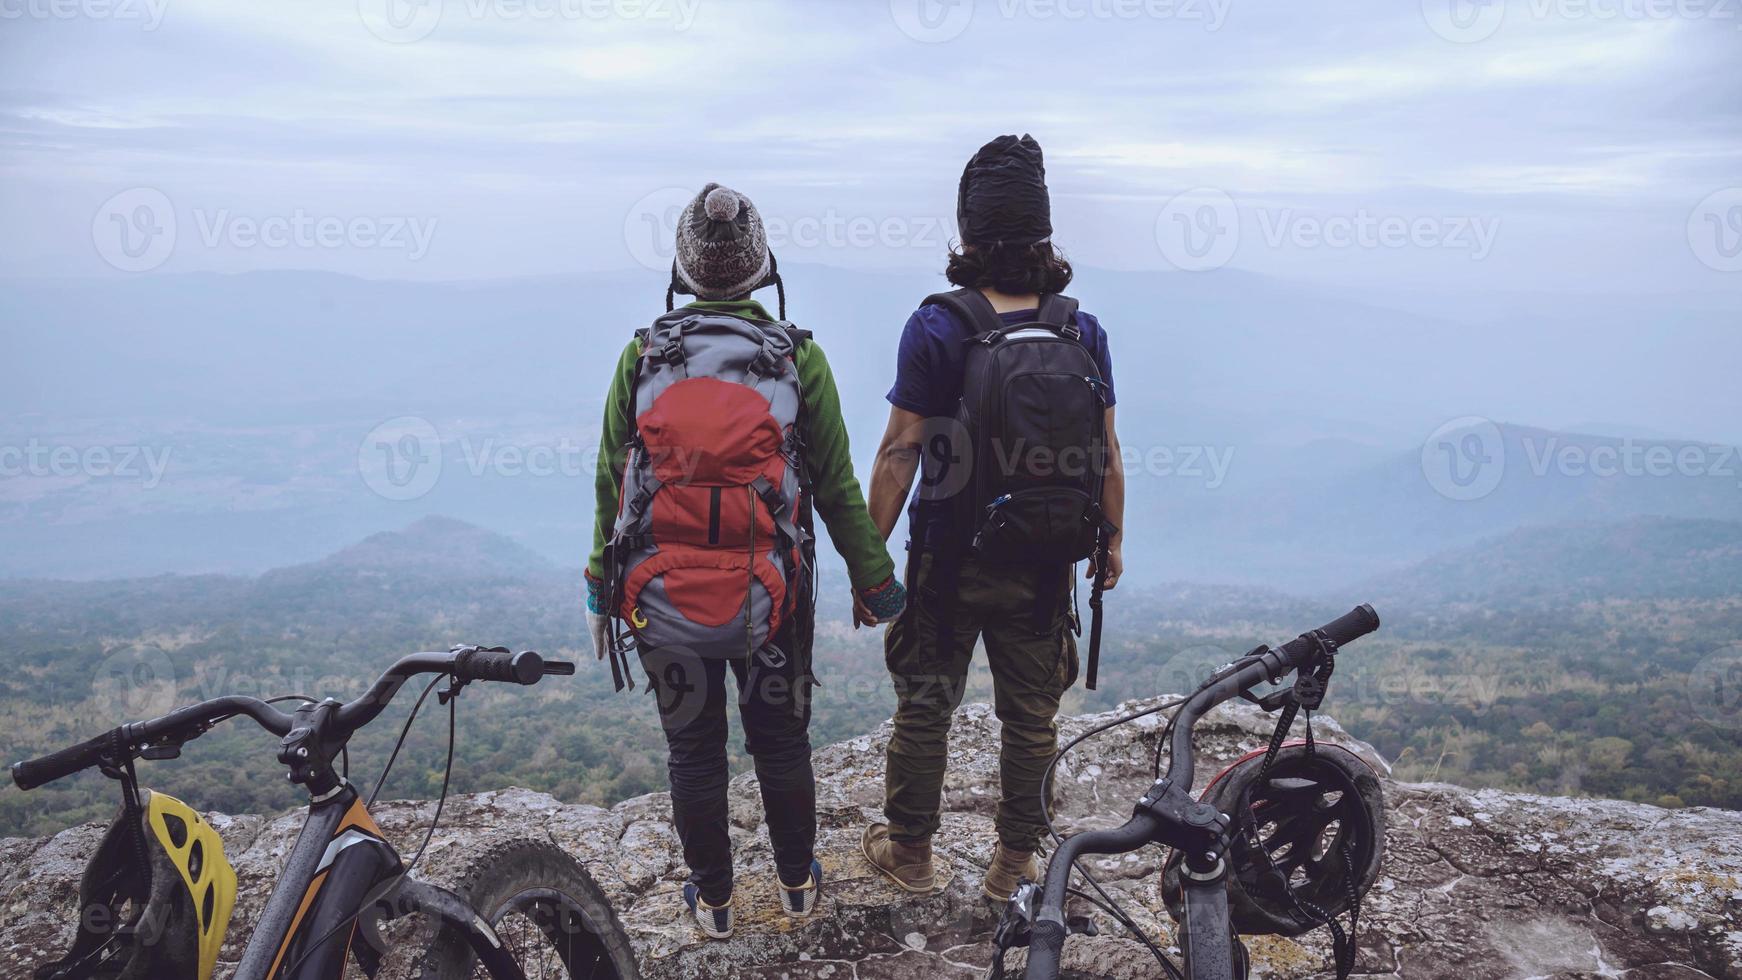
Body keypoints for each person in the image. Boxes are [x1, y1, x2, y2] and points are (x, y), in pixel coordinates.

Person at [585, 183, 906, 939]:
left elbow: (610, 482)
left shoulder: (642, 357)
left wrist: (603, 587)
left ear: (682, 271)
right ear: (762, 267)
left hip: (660, 597)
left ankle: (717, 902)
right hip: (773, 598)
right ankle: (797, 884)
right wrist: (877, 585)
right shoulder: (797, 359)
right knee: (781, 739)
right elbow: (834, 486)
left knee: (693, 750)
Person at [859, 136, 1126, 903]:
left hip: (949, 557)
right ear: (1044, 237)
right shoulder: (1082, 330)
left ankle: (910, 854)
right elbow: (1106, 450)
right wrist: (1111, 539)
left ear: (967, 237)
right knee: (1032, 714)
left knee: (926, 705)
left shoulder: (939, 326)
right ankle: (1013, 867)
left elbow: (899, 453)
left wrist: (871, 562)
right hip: (1046, 558)